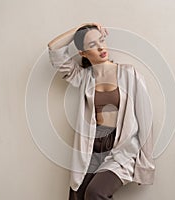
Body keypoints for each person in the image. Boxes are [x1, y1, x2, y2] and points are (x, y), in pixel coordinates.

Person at [48, 22, 155, 200]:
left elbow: (146, 121)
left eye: (101, 40)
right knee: (77, 195)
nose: (100, 47)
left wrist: (146, 164)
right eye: (92, 45)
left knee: (95, 192)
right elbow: (54, 49)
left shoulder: (130, 74)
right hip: (91, 148)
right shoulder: (83, 77)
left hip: (122, 149)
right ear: (82, 53)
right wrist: (82, 28)